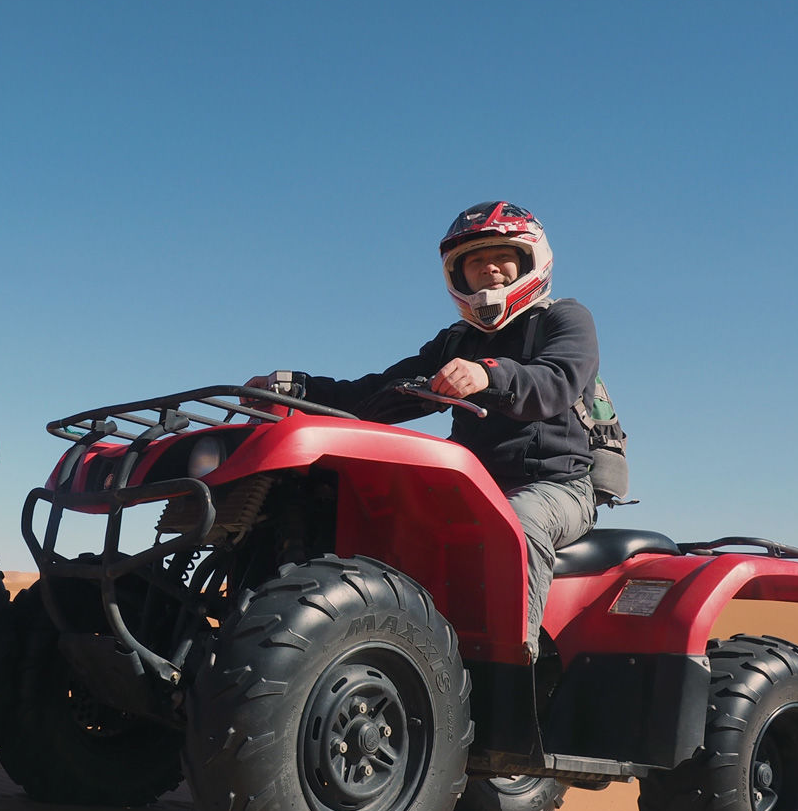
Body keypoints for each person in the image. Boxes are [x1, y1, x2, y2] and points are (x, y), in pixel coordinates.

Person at [251, 201, 599, 661]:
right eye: (475, 262)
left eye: (501, 256)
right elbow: (376, 393)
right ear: (459, 277)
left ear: (530, 260)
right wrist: (297, 387)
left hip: (555, 485)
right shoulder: (455, 341)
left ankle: (508, 673)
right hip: (477, 483)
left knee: (516, 525)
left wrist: (489, 375)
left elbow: (556, 382)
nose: (489, 269)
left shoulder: (564, 319)